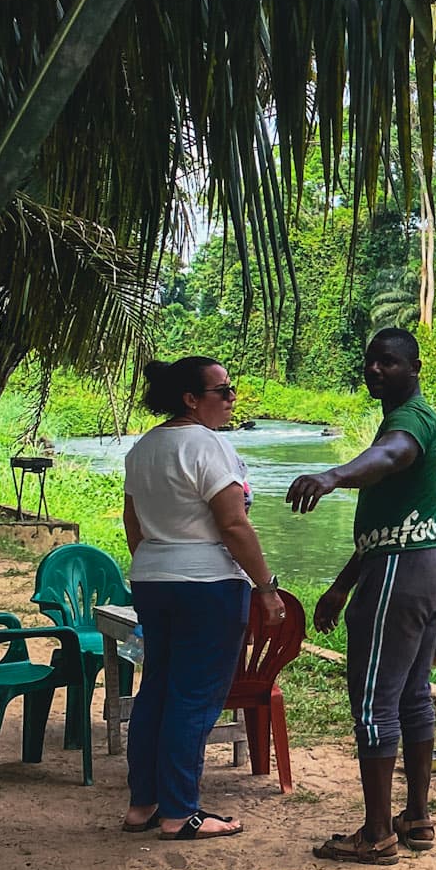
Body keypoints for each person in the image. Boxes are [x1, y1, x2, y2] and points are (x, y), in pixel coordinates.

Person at [286, 329, 436, 864]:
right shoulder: (410, 418)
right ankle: (417, 818)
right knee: (412, 696)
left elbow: (390, 455)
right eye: (370, 362)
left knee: (374, 699)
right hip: (427, 562)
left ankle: (377, 833)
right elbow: (390, 523)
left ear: (414, 368)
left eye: (388, 362)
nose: (375, 370)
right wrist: (342, 584)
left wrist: (332, 476)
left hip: (403, 569)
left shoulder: (410, 422)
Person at [121, 358, 284, 841]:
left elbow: (133, 522)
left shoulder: (144, 448)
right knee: (193, 697)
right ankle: (179, 812)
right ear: (191, 399)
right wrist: (266, 587)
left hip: (153, 578)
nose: (232, 398)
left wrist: (157, 562)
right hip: (207, 584)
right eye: (223, 390)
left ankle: (143, 804)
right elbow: (232, 523)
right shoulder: (207, 445)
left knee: (157, 689)